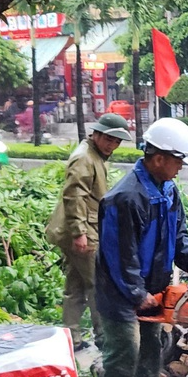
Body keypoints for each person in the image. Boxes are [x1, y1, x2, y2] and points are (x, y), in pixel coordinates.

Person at [95, 117, 188, 377]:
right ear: (157, 158)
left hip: (153, 287)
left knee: (150, 348)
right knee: (124, 353)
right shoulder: (125, 198)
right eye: (177, 162)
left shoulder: (168, 191)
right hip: (119, 291)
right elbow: (119, 254)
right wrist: (135, 292)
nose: (180, 169)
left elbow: (179, 234)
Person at [46, 114, 131, 351]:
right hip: (81, 230)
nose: (112, 145)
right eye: (108, 139)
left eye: (116, 141)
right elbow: (74, 196)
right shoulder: (84, 158)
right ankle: (105, 337)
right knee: (99, 284)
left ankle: (71, 339)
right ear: (96, 134)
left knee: (76, 286)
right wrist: (79, 233)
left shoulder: (93, 155)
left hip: (81, 228)